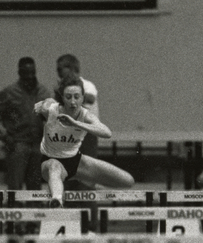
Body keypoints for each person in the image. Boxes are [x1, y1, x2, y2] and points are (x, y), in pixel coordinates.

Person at [35, 75, 134, 206]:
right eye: (68, 97)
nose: (72, 101)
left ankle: (89, 182)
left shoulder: (86, 115)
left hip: (76, 162)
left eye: (77, 97)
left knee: (127, 181)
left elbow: (106, 132)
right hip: (50, 161)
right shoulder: (52, 110)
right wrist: (42, 104)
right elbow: (46, 103)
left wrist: (76, 124)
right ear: (62, 98)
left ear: (82, 98)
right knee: (54, 167)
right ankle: (57, 201)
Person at [0, 57, 52, 190]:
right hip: (17, 144)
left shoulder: (44, 93)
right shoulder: (9, 93)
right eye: (25, 72)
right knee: (14, 186)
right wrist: (4, 135)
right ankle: (13, 209)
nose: (29, 76)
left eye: (32, 72)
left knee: (35, 187)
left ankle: (34, 210)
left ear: (35, 71)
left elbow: (52, 118)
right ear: (19, 72)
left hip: (37, 144)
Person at [56, 54, 99, 190]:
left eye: (60, 69)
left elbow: (90, 98)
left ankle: (89, 210)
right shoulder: (63, 89)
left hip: (86, 135)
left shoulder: (86, 84)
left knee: (86, 176)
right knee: (67, 176)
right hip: (69, 136)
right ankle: (70, 210)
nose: (58, 73)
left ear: (71, 68)